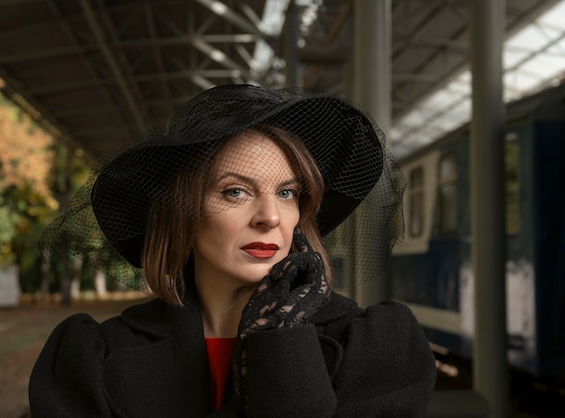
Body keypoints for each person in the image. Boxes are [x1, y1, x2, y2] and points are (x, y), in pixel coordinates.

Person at [29, 84, 437, 417]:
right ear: (182, 213)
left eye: (287, 192)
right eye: (235, 191)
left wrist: (281, 338)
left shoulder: (372, 344)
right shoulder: (95, 357)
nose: (270, 217)